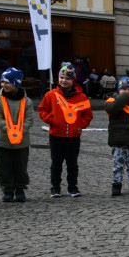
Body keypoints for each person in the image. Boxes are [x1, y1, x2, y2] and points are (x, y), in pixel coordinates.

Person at [38, 63, 93, 197]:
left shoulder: (82, 97)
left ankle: (72, 187)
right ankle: (55, 187)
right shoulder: (51, 95)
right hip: (56, 135)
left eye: (67, 78)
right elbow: (42, 109)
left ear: (73, 80)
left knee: (72, 164)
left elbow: (88, 115)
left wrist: (80, 125)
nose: (64, 80)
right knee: (56, 163)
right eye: (62, 77)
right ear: (58, 79)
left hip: (73, 136)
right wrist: (50, 119)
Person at [0, 67, 35, 202]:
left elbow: (29, 118)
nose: (4, 85)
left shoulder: (27, 102)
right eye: (2, 82)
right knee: (3, 166)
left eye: (7, 82)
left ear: (16, 83)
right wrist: (8, 129)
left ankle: (19, 188)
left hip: (21, 141)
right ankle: (7, 189)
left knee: (20, 166)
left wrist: (20, 131)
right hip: (2, 140)